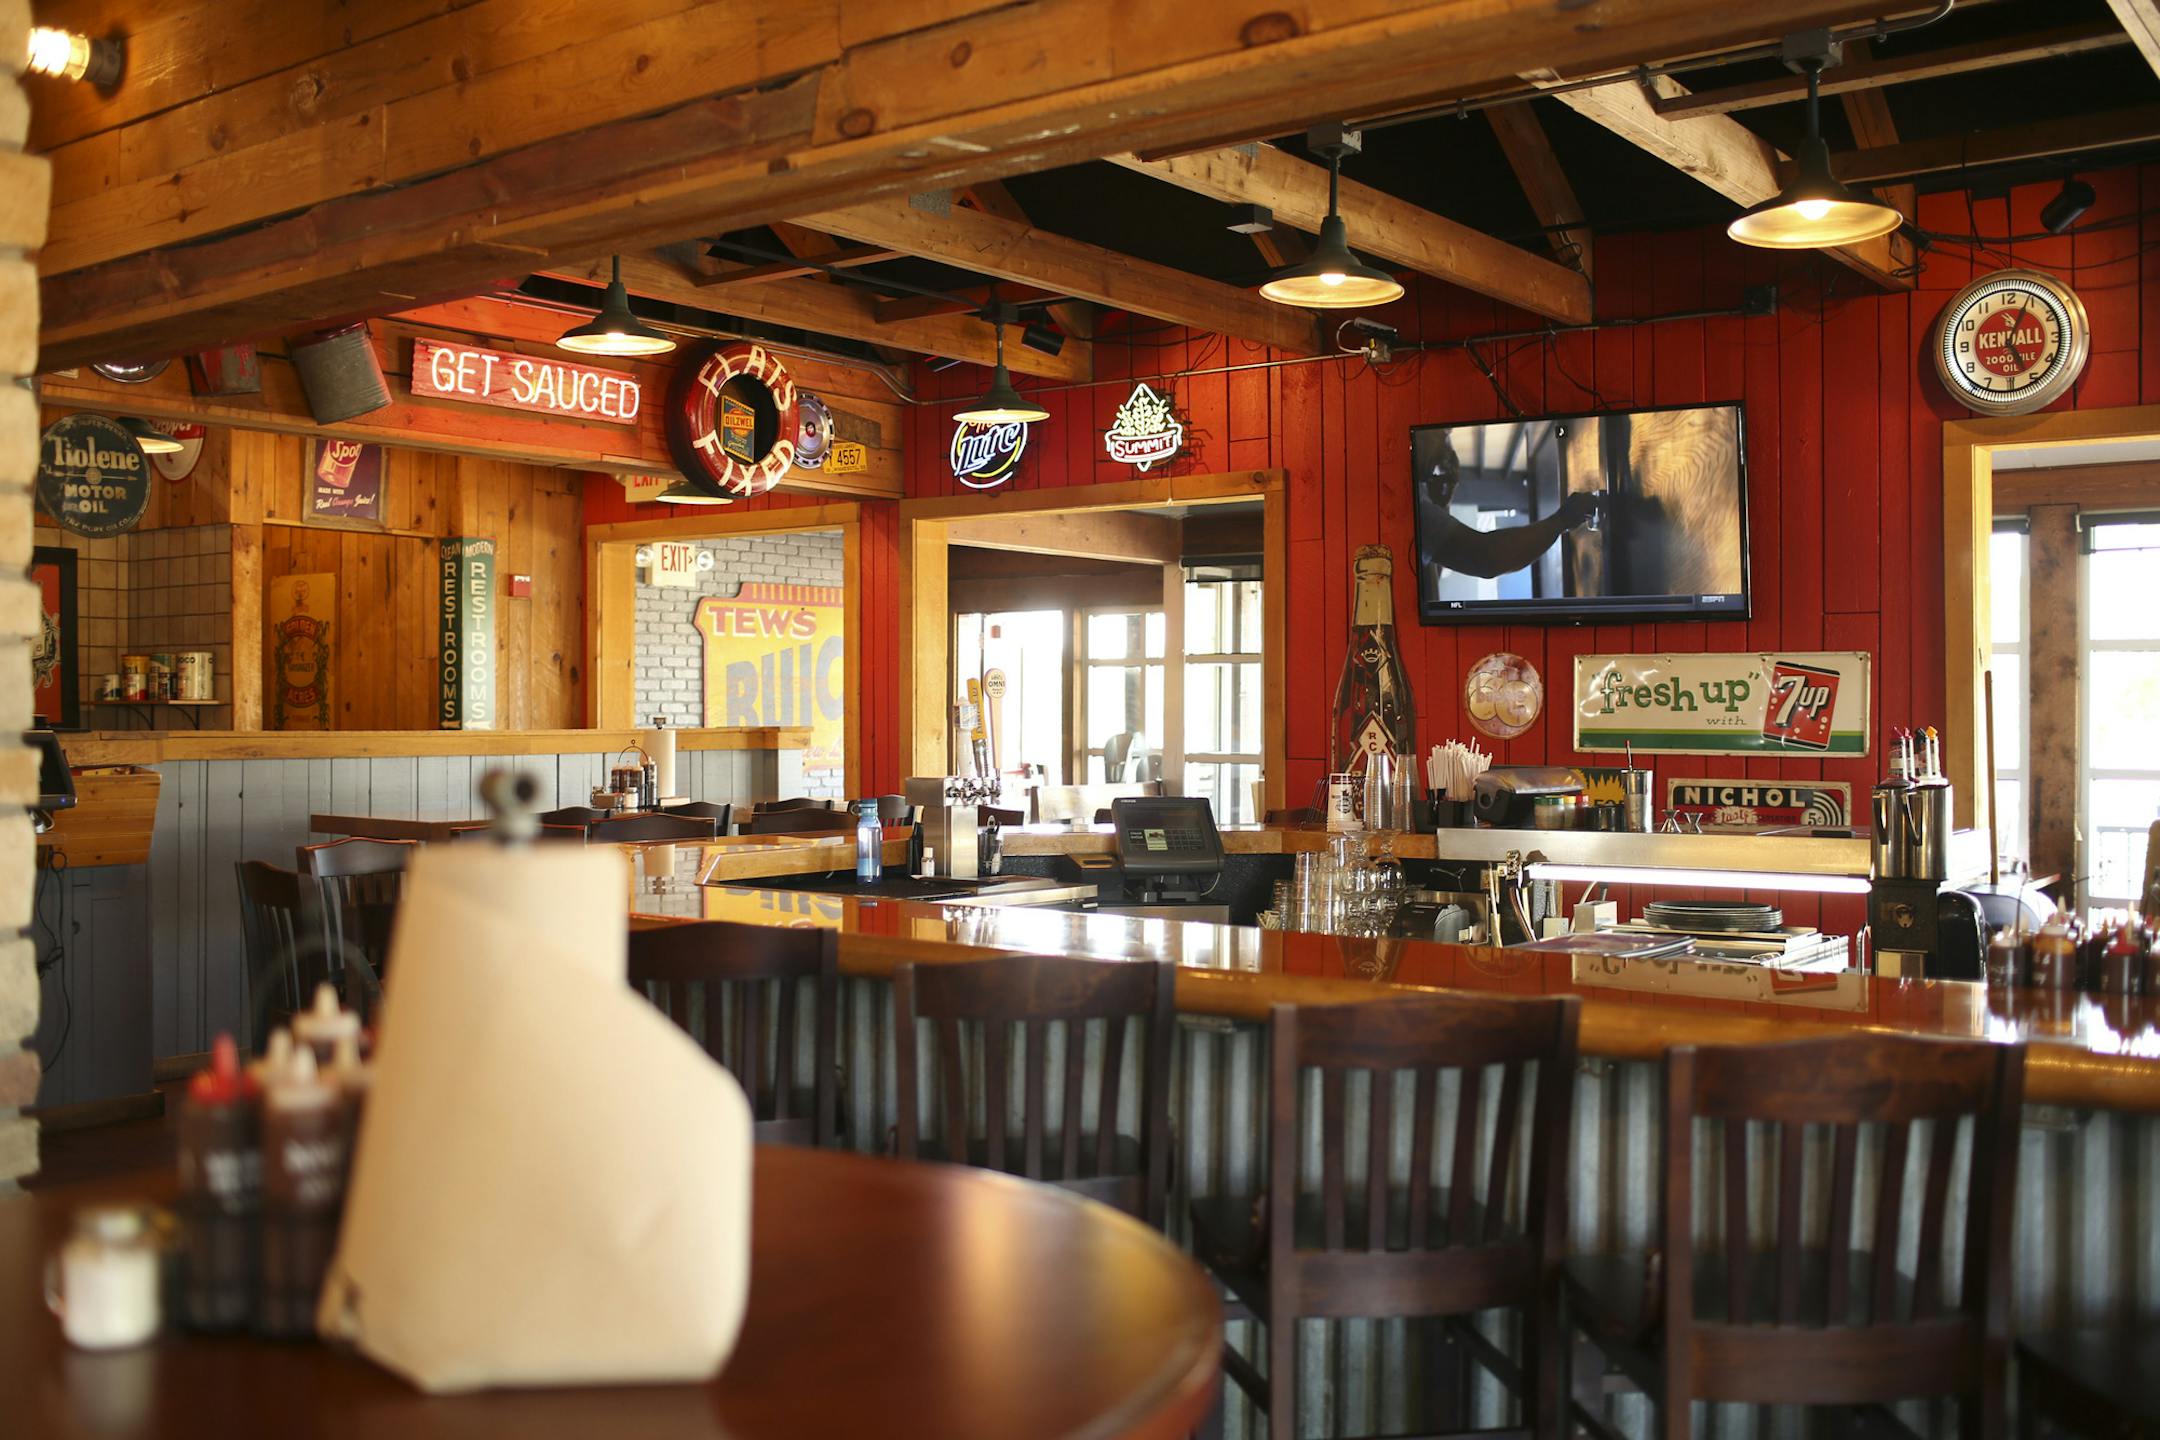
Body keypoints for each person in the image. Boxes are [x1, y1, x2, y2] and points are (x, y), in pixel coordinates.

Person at [1419, 439, 1604, 580]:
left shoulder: (1420, 500)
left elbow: (1435, 560)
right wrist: (1562, 520)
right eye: (1444, 436)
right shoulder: (1419, 508)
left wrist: (1441, 504)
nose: (1446, 450)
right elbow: (1486, 558)